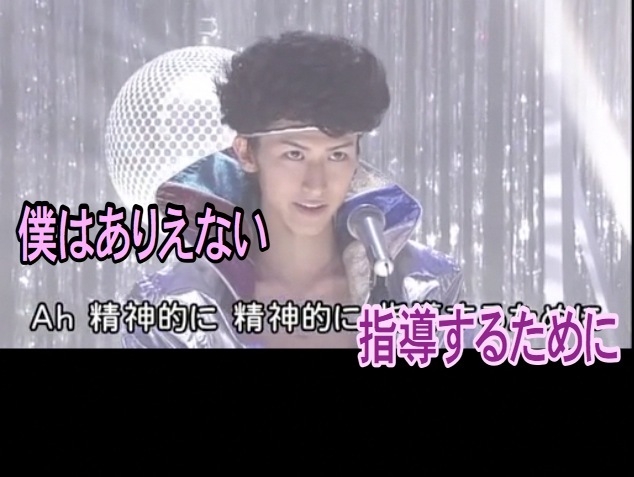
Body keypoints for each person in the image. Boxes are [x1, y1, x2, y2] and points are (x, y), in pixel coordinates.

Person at [121, 30, 468, 349]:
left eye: (336, 155)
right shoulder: (173, 308)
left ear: (357, 155)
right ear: (246, 153)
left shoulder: (423, 287)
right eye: (294, 154)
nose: (316, 184)